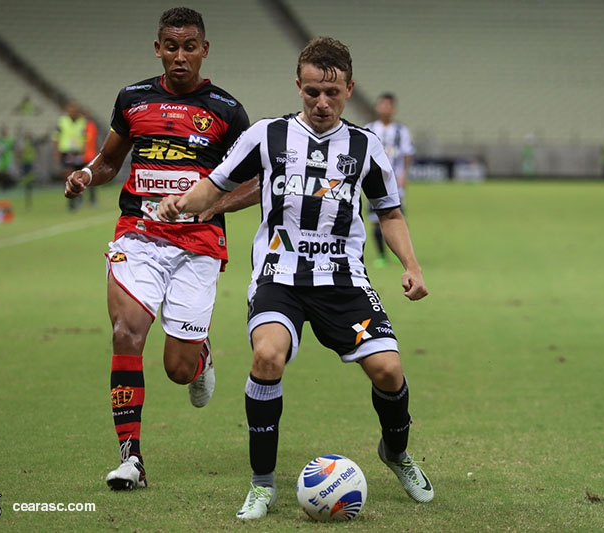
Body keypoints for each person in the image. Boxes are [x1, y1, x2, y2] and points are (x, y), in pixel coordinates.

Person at [158, 36, 434, 520]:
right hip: (279, 275)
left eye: (332, 93)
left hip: (343, 280)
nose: (321, 102)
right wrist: (181, 203)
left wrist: (412, 267)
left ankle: (396, 453)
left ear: (349, 89)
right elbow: (216, 185)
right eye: (312, 92)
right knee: (267, 356)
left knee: (389, 371)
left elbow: (389, 213)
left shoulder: (366, 146)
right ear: (298, 87)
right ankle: (262, 484)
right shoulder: (267, 135)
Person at [63, 7, 252, 491]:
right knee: (125, 333)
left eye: (189, 47)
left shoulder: (227, 111)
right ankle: (131, 459)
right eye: (171, 47)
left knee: (177, 370)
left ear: (204, 49)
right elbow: (110, 162)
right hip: (138, 235)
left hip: (198, 245)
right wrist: (86, 174)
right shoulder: (133, 99)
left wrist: (214, 205)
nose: (180, 56)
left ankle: (199, 356)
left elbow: (257, 181)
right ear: (158, 49)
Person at [365, 93, 415, 267]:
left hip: (395, 181)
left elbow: (407, 154)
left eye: (389, 105)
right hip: (373, 181)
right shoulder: (369, 128)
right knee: (375, 219)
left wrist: (404, 174)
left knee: (397, 216)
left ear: (394, 108)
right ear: (377, 107)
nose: (385, 108)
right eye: (382, 105)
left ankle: (399, 252)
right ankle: (381, 255)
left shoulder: (402, 131)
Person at [55, 101, 87, 210]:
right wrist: (57, 153)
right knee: (68, 174)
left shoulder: (82, 122)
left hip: (79, 151)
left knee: (79, 175)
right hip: (66, 151)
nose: (72, 112)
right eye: (70, 110)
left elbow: (86, 137)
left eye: (74, 110)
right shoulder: (62, 121)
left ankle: (79, 196)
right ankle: (71, 200)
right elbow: (56, 137)